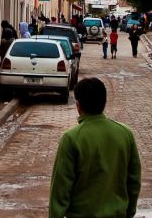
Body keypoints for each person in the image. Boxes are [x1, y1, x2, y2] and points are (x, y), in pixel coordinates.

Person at [48, 78, 141, 218]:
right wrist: (129, 212)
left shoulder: (71, 138)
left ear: (78, 105)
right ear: (104, 102)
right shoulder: (125, 133)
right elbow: (134, 180)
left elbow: (60, 191)